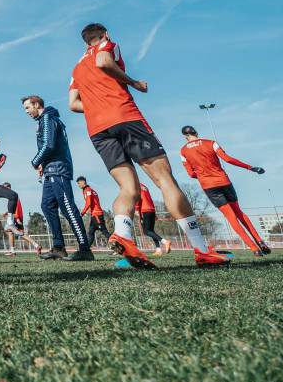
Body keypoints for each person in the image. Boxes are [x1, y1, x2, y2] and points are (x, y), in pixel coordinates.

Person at [68, 23, 229, 268]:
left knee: (128, 188)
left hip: (98, 130)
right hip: (126, 118)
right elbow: (103, 61)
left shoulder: (77, 68)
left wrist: (98, 107)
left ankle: (123, 236)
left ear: (83, 42)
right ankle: (202, 250)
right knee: (165, 181)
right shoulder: (108, 45)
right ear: (106, 34)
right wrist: (133, 83)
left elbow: (73, 104)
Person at [179, 126, 270, 255]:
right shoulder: (211, 143)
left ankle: (254, 249)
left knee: (231, 217)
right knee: (238, 212)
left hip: (209, 186)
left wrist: (202, 174)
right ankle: (260, 241)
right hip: (223, 181)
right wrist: (251, 168)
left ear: (184, 136)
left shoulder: (183, 151)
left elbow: (191, 174)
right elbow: (227, 159)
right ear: (196, 132)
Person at [23, 95, 93, 261]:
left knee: (67, 207)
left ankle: (84, 249)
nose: (26, 112)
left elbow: (48, 144)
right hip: (50, 170)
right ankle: (58, 247)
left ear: (36, 104)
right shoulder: (44, 120)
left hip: (58, 169)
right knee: (47, 205)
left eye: (27, 108)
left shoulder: (47, 118)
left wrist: (35, 161)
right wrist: (43, 165)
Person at [0, 182, 41, 256]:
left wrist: (17, 218)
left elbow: (17, 208)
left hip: (16, 218)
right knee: (10, 233)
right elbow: (12, 208)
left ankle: (36, 245)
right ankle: (12, 251)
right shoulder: (10, 197)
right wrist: (6, 213)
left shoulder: (14, 196)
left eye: (5, 189)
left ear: (8, 188)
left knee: (20, 234)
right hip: (14, 217)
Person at [77, 177, 111, 247]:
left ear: (84, 182)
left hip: (97, 215)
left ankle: (118, 247)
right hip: (94, 215)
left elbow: (88, 203)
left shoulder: (87, 190)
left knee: (105, 232)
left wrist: (82, 213)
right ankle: (87, 249)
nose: (78, 185)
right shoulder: (90, 190)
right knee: (91, 233)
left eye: (79, 183)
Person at [136, 183, 169, 256]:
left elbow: (137, 197)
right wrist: (154, 212)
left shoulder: (136, 185)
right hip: (151, 210)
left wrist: (136, 209)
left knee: (146, 231)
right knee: (151, 231)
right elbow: (149, 199)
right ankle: (158, 250)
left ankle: (165, 242)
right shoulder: (144, 186)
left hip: (144, 210)